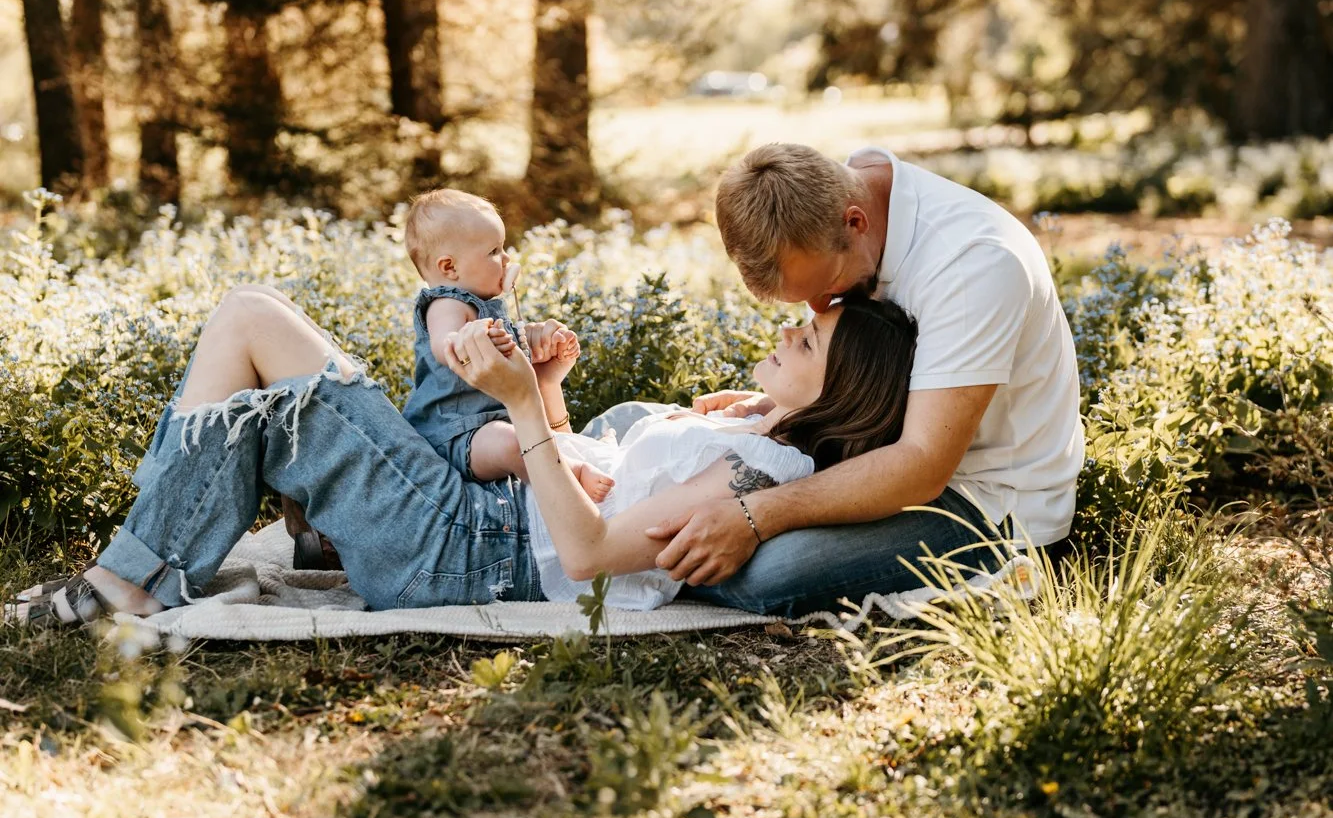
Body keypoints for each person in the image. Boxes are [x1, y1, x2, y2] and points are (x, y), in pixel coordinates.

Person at [9, 280, 916, 628]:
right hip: (476, 527)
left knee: (250, 324)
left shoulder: (769, 474)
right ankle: (147, 565)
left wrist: (520, 405)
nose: (788, 332)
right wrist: (549, 390)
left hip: (468, 557)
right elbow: (578, 483)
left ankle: (131, 578)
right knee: (257, 364)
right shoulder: (751, 431)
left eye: (807, 342)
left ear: (840, 393)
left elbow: (592, 557)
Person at [642, 142, 1084, 619]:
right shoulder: (833, 194)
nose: (817, 310)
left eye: (825, 288)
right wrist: (784, 410)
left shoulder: (972, 265)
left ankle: (621, 563)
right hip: (890, 456)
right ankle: (617, 540)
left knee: (775, 568)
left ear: (855, 223)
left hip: (988, 506)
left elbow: (923, 464)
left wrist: (754, 517)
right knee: (661, 432)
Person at [400, 186, 613, 504]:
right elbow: (442, 343)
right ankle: (572, 474)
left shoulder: (487, 305)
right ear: (450, 268)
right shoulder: (446, 303)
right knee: (512, 444)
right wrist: (464, 342)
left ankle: (567, 461)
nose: (506, 259)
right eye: (494, 251)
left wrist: (536, 350)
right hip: (455, 434)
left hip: (491, 425)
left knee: (522, 439)